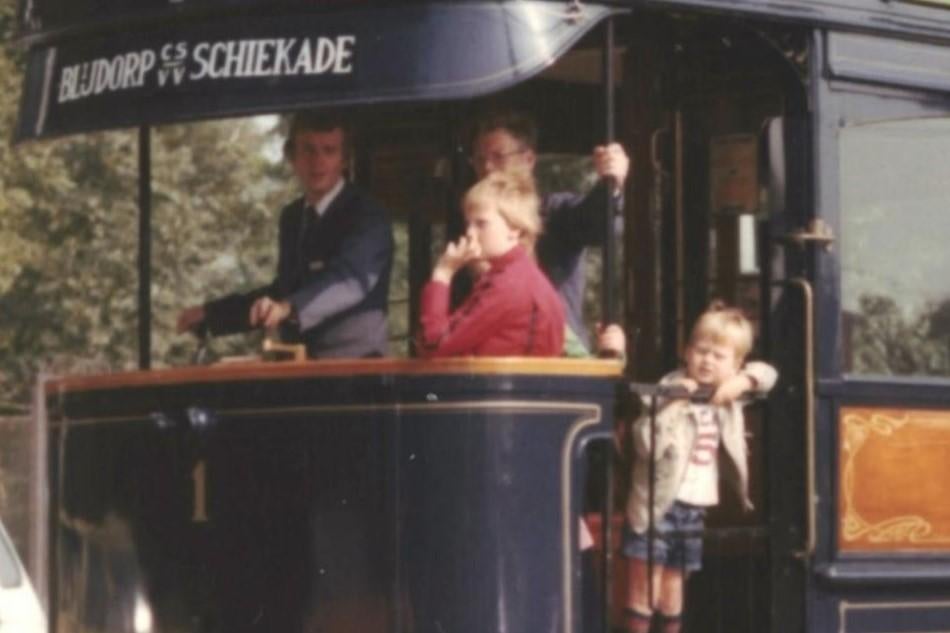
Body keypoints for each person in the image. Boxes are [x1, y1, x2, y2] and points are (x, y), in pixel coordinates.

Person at [176, 110, 394, 358]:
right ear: (291, 156)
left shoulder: (367, 215)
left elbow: (349, 280)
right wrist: (211, 315)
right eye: (308, 150)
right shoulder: (292, 217)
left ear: (344, 160)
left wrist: (287, 308)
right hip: (298, 370)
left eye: (329, 150)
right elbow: (284, 291)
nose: (318, 161)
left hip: (356, 374)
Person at [621, 301, 777, 633]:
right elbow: (645, 445)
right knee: (645, 587)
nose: (707, 360)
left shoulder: (728, 392)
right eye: (701, 351)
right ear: (686, 352)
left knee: (674, 588)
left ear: (735, 364)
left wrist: (745, 381)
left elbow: (771, 374)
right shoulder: (667, 391)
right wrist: (674, 404)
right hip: (656, 507)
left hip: (694, 507)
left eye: (719, 356)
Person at [467, 110, 630, 350]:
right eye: (480, 160)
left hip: (555, 361)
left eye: (498, 156)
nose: (488, 167)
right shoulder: (471, 227)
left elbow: (597, 224)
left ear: (528, 160)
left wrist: (611, 184)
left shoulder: (552, 213)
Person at [417, 171, 564, 357]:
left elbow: (433, 344)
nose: (470, 233)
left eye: (481, 224)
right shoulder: (520, 277)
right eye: (468, 223)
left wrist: (442, 274)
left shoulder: (508, 285)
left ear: (515, 229)